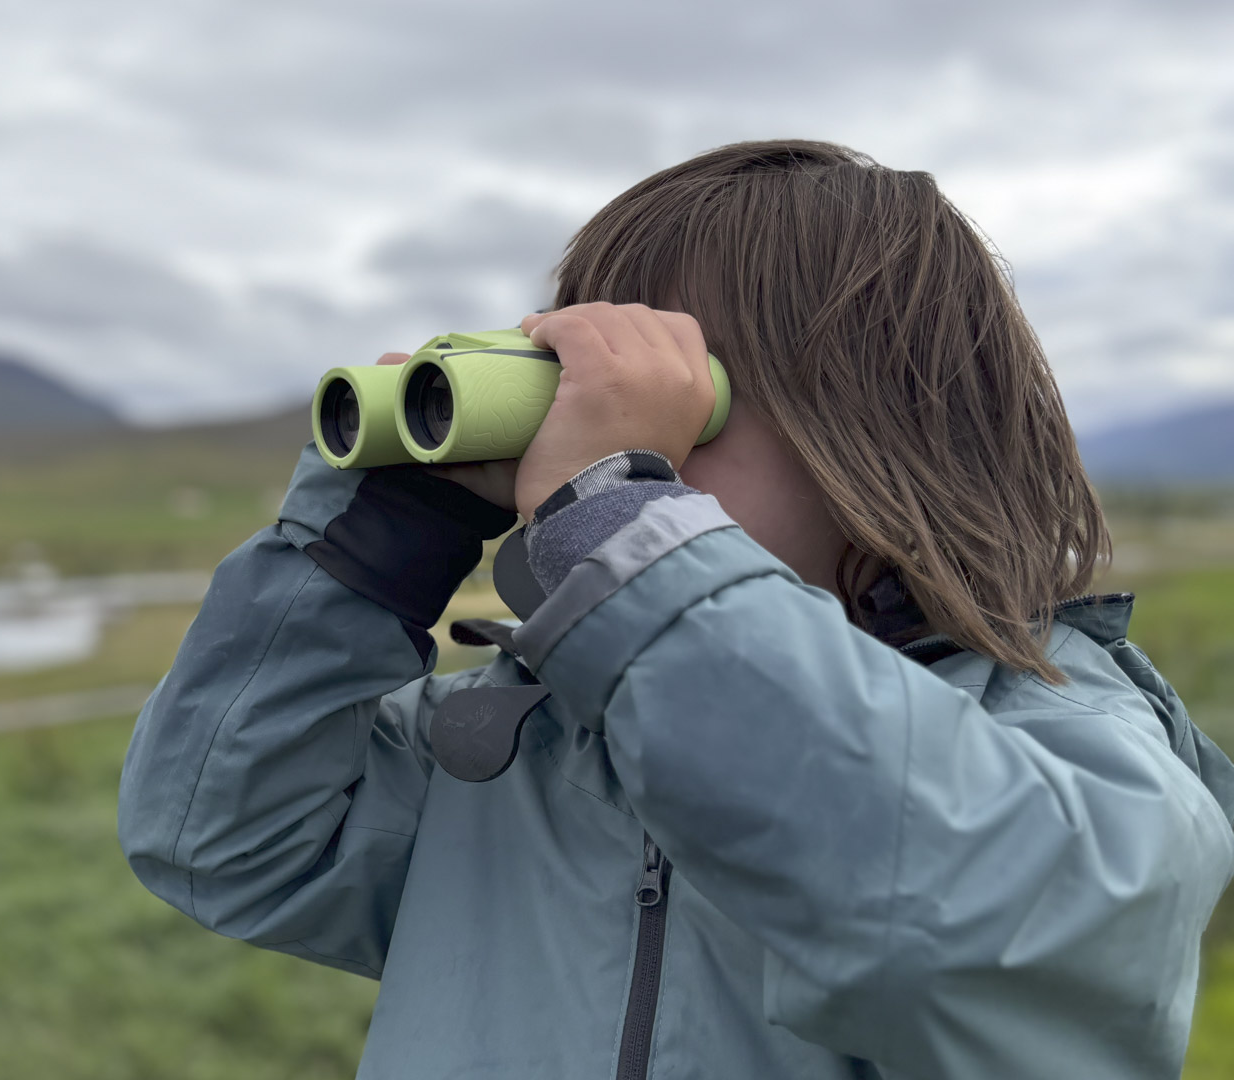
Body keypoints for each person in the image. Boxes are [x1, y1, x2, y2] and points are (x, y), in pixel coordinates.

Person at [116, 140, 1234, 1078]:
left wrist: (621, 529)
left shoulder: (1063, 732)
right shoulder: (522, 753)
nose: (582, 435)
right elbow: (225, 836)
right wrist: (382, 536)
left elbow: (964, 931)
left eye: (680, 399)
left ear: (876, 427)